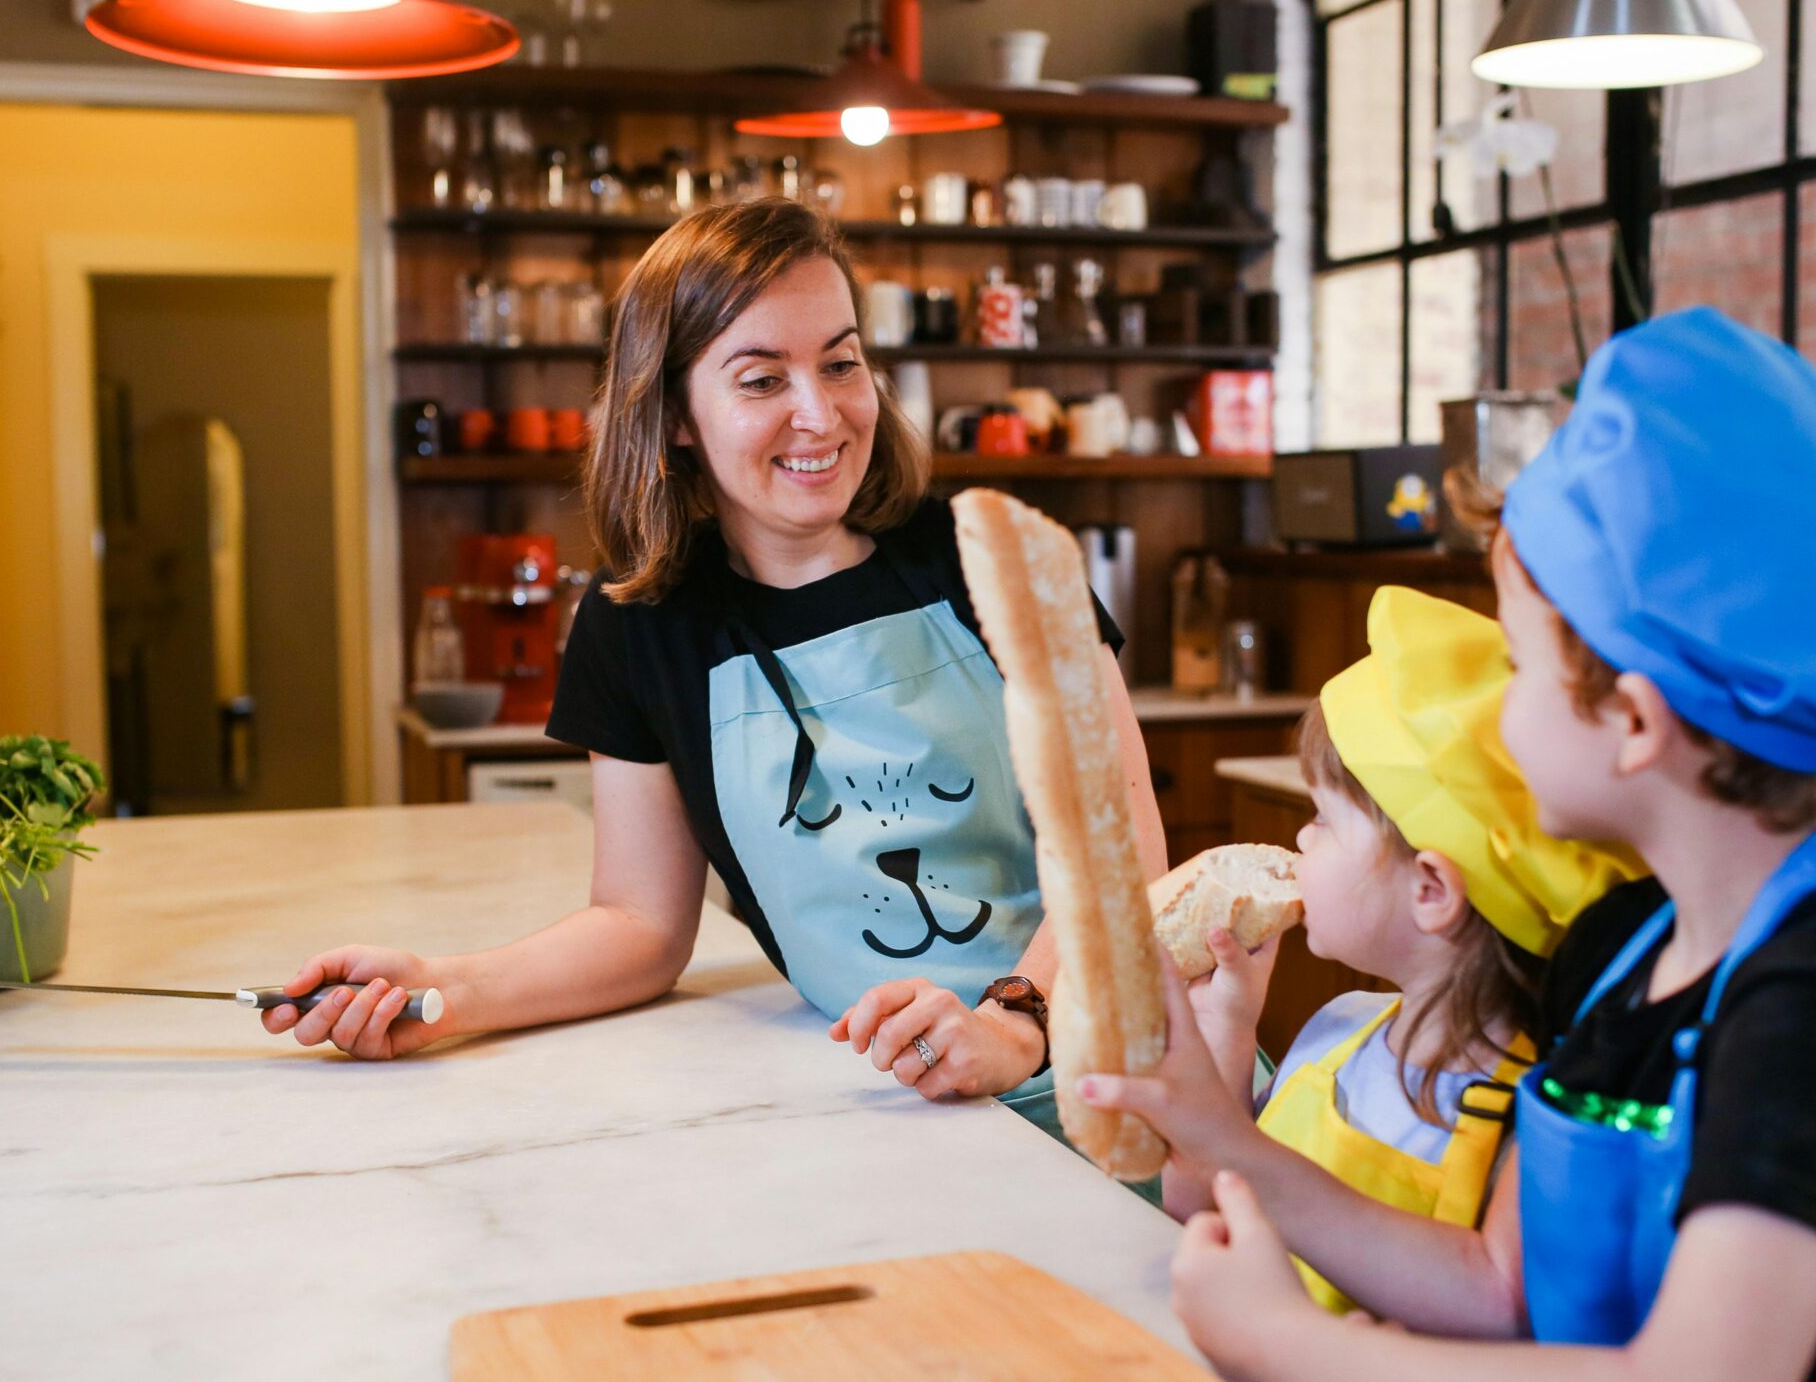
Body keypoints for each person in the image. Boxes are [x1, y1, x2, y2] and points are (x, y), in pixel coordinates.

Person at [1086, 308, 1816, 1382]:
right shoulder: (1625, 945)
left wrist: (1299, 1353)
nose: (1494, 708)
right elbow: (1499, 1284)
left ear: (1631, 719)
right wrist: (1228, 1141)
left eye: (1516, 662)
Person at [268, 199, 1166, 1141]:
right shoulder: (638, 627)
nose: (818, 413)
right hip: (898, 1107)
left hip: (1116, 1065)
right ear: (675, 415)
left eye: (841, 362)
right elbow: (640, 926)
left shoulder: (1000, 558)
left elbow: (1126, 847)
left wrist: (1016, 1022)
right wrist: (444, 991)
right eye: (761, 378)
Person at [1163, 587, 1640, 1304]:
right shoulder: (1337, 1031)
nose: (1300, 840)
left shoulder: (1519, 1125)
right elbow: (1192, 1202)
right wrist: (1229, 1032)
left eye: (1322, 818)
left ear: (1430, 890)